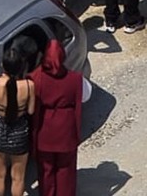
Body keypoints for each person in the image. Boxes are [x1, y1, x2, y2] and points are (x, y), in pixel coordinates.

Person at [30, 40, 82, 196]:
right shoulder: (75, 78)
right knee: (66, 170)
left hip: (44, 131)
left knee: (46, 171)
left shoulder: (35, 78)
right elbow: (81, 103)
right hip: (66, 130)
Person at [0, 47, 34, 196]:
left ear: (3, 65)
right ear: (21, 67)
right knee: (18, 178)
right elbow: (31, 111)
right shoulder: (28, 86)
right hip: (19, 134)